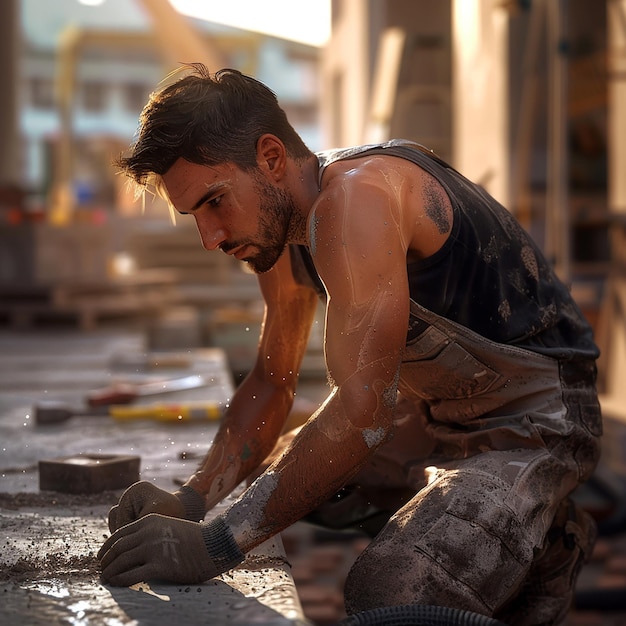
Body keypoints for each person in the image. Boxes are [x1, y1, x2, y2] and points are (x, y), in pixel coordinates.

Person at [97, 64, 602, 624]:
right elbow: (272, 381)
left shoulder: (356, 199)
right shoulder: (280, 232)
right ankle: (521, 534)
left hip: (537, 420)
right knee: (301, 476)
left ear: (270, 157)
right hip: (435, 414)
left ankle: (538, 535)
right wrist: (193, 501)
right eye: (195, 215)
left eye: (215, 202)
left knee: (394, 588)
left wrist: (214, 544)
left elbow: (365, 409)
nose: (210, 236)